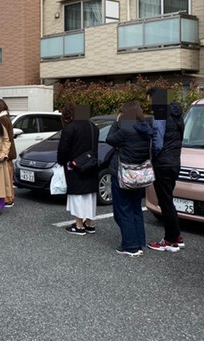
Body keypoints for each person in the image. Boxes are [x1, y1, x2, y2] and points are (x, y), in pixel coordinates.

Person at [106, 101, 154, 257]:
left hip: (124, 175)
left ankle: (130, 246)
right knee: (135, 209)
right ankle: (139, 242)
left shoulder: (125, 129)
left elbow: (109, 139)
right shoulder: (146, 129)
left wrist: (116, 122)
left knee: (123, 210)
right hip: (139, 175)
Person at [146, 88, 185, 252]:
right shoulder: (177, 114)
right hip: (174, 161)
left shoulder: (160, 113)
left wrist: (152, 157)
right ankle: (176, 236)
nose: (148, 102)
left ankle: (170, 240)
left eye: (149, 98)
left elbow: (157, 141)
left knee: (165, 202)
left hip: (162, 162)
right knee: (168, 200)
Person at [57, 103, 99, 235]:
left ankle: (79, 226)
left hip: (75, 166)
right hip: (91, 165)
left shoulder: (70, 127)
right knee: (90, 195)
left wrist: (61, 161)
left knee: (77, 195)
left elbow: (63, 149)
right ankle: (89, 224)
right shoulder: (93, 127)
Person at [0, 99, 17, 207]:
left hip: (5, 152)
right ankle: (10, 197)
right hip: (10, 151)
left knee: (6, 177)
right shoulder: (6, 117)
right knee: (9, 176)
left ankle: (8, 199)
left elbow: (2, 137)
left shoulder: (2, 119)